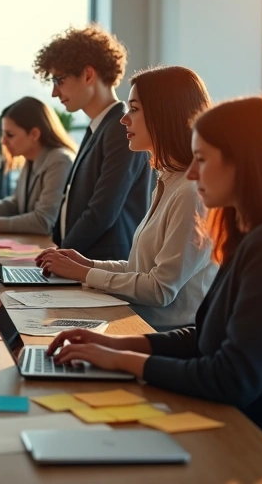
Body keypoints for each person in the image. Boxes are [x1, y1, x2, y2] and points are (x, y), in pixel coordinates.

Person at [47, 96, 262, 483]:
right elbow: (211, 336)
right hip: (251, 421)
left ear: (245, 163)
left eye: (202, 159)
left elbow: (231, 379)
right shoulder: (257, 232)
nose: (192, 173)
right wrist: (116, 346)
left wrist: (123, 363)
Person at [37, 66, 218, 330]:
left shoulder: (191, 193)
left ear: (163, 115)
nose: (124, 119)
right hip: (136, 321)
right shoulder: (167, 181)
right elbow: (141, 270)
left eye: (134, 109)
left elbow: (159, 289)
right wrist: (89, 263)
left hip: (159, 335)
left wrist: (86, 273)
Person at [35, 25, 151, 259]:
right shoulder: (99, 127)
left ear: (88, 75)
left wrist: (62, 253)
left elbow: (102, 211)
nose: (55, 93)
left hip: (103, 265)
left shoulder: (121, 127)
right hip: (85, 262)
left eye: (59, 80)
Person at [0, 97, 75, 234]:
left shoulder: (60, 161)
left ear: (34, 134)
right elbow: (16, 204)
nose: (3, 141)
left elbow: (43, 221)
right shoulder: (31, 159)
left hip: (51, 250)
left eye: (10, 135)